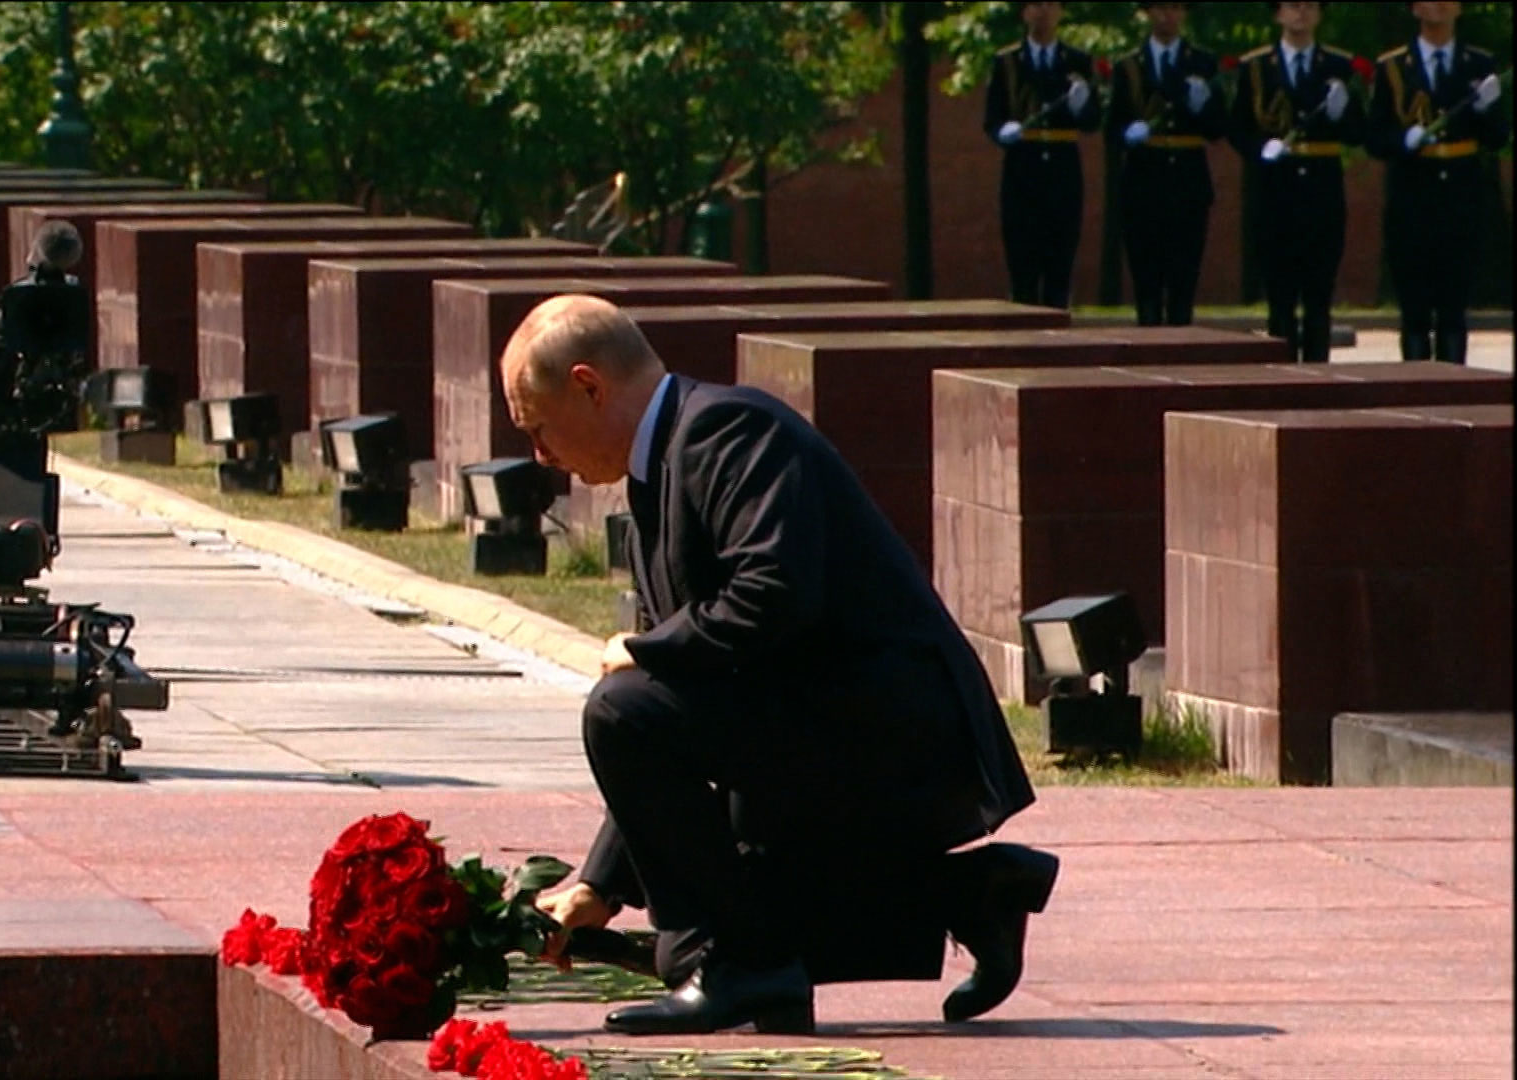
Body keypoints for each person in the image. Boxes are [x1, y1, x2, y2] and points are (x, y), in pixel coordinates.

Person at [506, 294, 1060, 1036]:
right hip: (812, 736)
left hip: (893, 735)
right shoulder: (661, 468)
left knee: (625, 720)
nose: (540, 455)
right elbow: (677, 697)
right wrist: (599, 885)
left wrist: (643, 649)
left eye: (538, 428)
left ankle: (741, 970)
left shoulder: (728, 430)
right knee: (730, 912)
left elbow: (774, 596)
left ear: (589, 386)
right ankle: (966, 895)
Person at [1366, 2, 1508, 364]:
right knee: (1414, 313)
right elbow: (1374, 137)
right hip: (1412, 196)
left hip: (1462, 196)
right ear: (1414, 8)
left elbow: (1497, 138)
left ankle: (1453, 390)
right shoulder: (1393, 67)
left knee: (1453, 312)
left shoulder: (1478, 64)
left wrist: (1487, 110)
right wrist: (1402, 140)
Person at [1227, 3, 1368, 364]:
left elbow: (1358, 132)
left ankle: (1318, 377)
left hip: (1321, 188)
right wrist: (1262, 147)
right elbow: (1238, 127)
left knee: (1319, 298)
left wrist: (1342, 112)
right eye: (1292, 5)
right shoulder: (1255, 66)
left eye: (1310, 5)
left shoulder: (1338, 66)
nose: (1301, 12)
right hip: (1275, 192)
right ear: (1277, 14)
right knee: (1280, 298)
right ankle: (1282, 378)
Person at [1105, 2, 1230, 326]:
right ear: (1147, 13)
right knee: (1146, 286)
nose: (1167, 16)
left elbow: (1218, 129)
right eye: (1160, 8)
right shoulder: (1128, 66)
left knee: (1182, 285)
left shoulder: (1203, 63)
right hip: (1142, 183)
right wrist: (1127, 132)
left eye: (1175, 8)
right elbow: (1111, 132)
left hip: (1187, 183)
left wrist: (1202, 105)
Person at [983, 2, 1103, 310]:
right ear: (1024, 13)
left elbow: (1092, 122)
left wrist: (1082, 105)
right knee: (1022, 265)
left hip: (1062, 170)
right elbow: (991, 119)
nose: (1043, 13)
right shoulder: (1007, 61)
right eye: (1036, 5)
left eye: (1051, 6)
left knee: (1059, 265)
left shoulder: (1077, 61)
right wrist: (1002, 132)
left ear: (1061, 12)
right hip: (1022, 170)